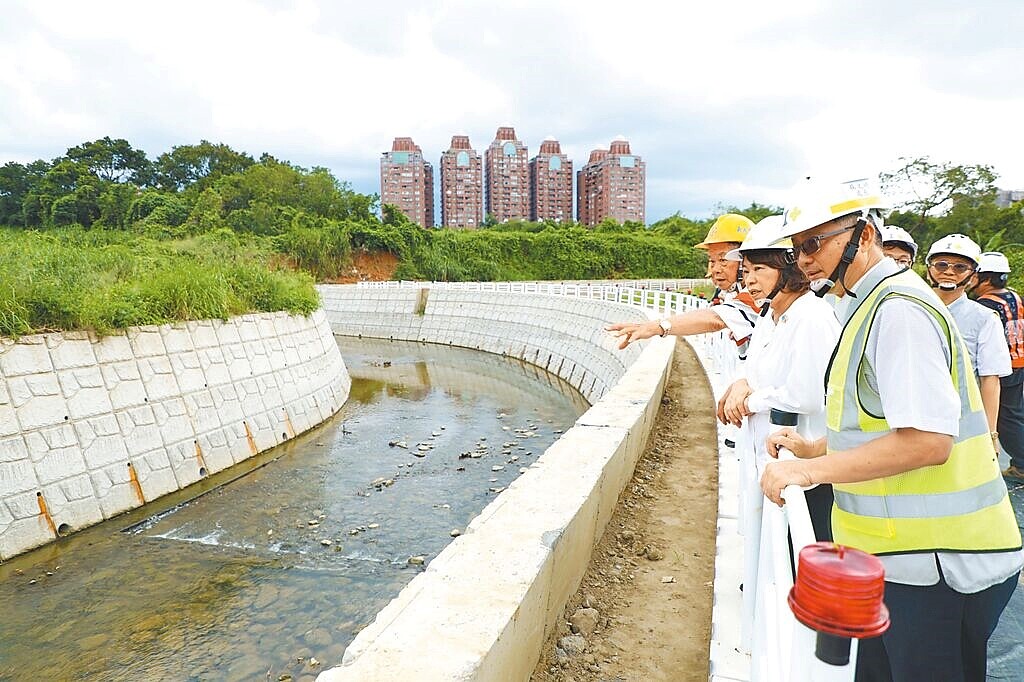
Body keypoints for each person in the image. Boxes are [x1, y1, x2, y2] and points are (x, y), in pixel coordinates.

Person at [758, 178, 1022, 682]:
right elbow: (875, 422)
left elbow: (927, 441)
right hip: (900, 561)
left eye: (814, 244)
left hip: (942, 566)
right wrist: (815, 448)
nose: (804, 260)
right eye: (797, 249)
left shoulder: (898, 311)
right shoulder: (867, 302)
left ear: (863, 235)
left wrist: (810, 471)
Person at [716, 215, 840, 540]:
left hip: (807, 469)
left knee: (800, 549)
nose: (750, 280)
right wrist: (742, 384)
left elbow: (807, 396)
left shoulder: (811, 316)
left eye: (759, 269)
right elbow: (756, 369)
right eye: (746, 271)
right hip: (772, 461)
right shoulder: (771, 315)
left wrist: (749, 401)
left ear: (790, 268)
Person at [607, 213, 759, 357]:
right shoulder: (734, 295)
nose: (715, 269)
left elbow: (715, 319)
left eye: (723, 260)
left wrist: (656, 327)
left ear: (746, 260)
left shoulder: (757, 296)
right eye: (712, 261)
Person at [925, 234, 1010, 435]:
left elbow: (990, 378)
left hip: (962, 424)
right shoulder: (909, 309)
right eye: (941, 265)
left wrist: (990, 434)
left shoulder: (985, 318)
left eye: (960, 267)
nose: (949, 272)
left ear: (973, 277)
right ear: (929, 271)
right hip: (914, 420)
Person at [973, 251, 1024, 480]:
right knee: (1015, 412)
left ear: (986, 279)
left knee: (1005, 418)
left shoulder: (985, 305)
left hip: (1001, 368)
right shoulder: (1014, 296)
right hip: (1019, 362)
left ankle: (1021, 464)